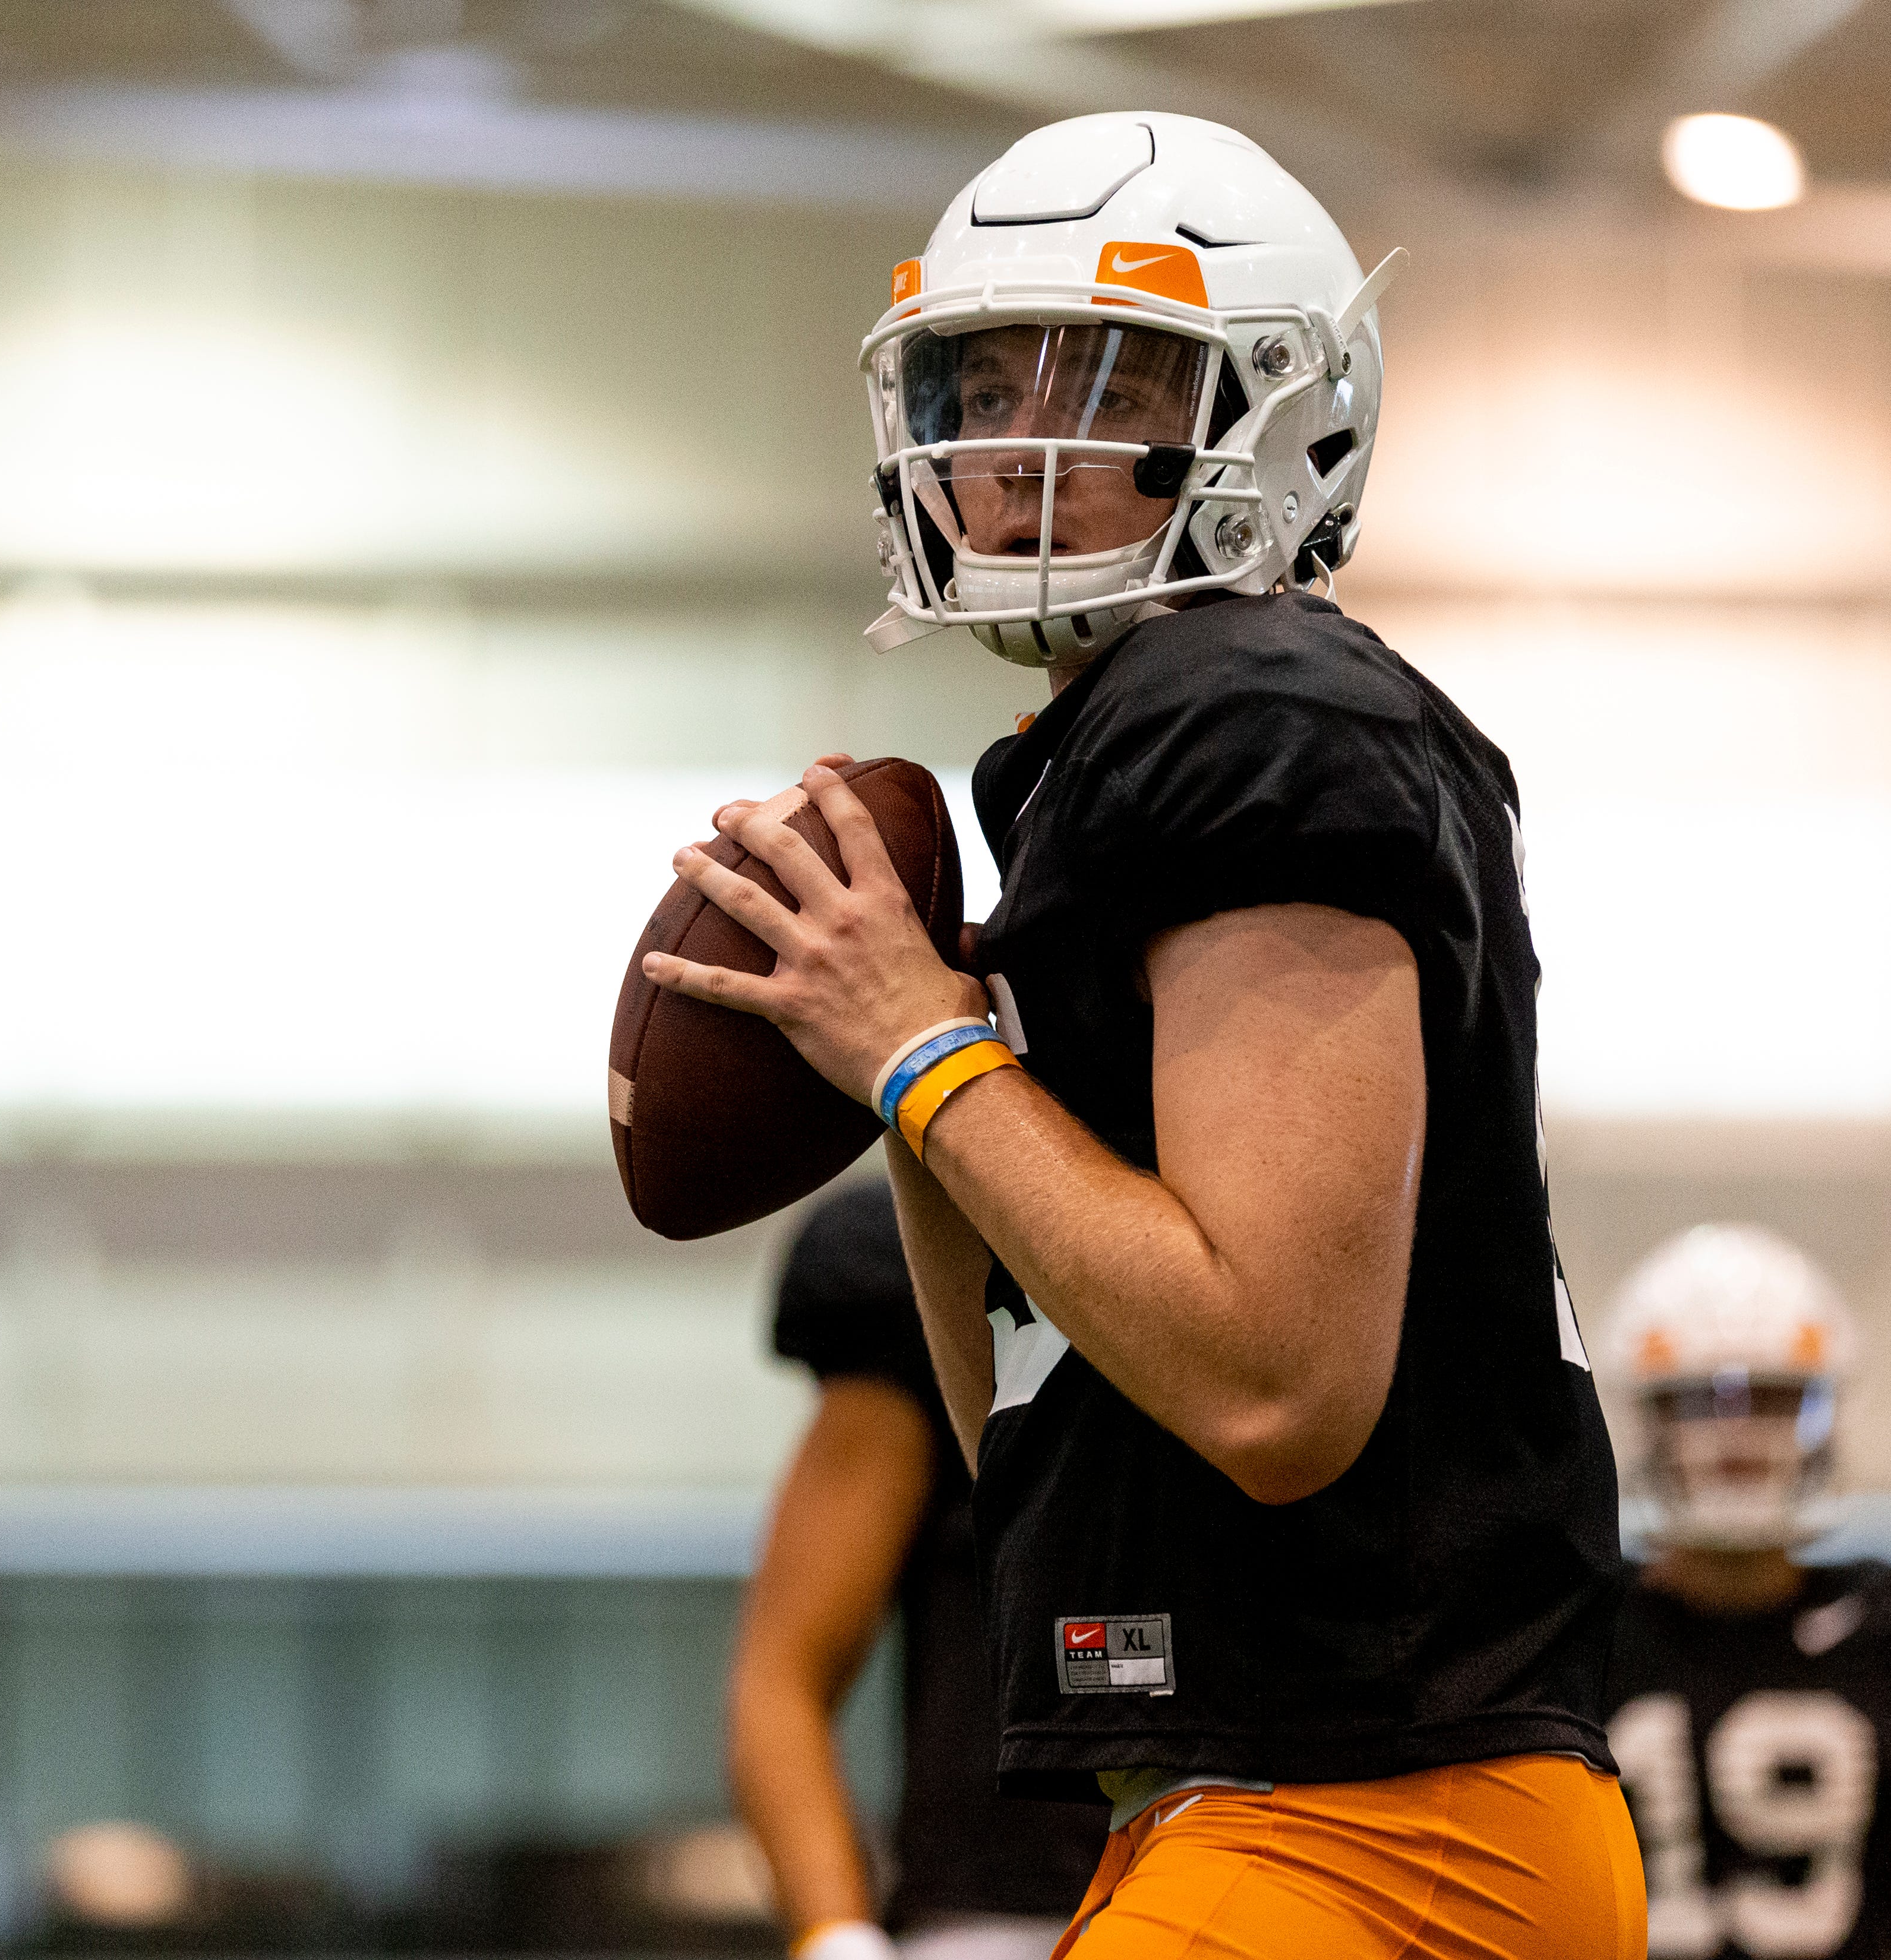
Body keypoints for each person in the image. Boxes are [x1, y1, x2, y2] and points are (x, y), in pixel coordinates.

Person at [642, 110, 1641, 1956]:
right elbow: (1020, 1422)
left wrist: (928, 1057)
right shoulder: (1115, 755)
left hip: (1374, 1825)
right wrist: (918, 1059)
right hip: (1281, 1813)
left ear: (1277, 410)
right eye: (973, 381)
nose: (1012, 444)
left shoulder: (1250, 712)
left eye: (1098, 376)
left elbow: (1271, 1385)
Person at [1603, 1225, 1891, 1960]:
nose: (1733, 1436)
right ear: (1648, 1417)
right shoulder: (1570, 1628)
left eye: (1769, 1397)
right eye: (1697, 1400)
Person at [731, 1183, 1107, 1960]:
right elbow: (782, 1679)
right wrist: (839, 1938)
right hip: (999, 1919)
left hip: (1294, 1874)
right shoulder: (922, 1252)